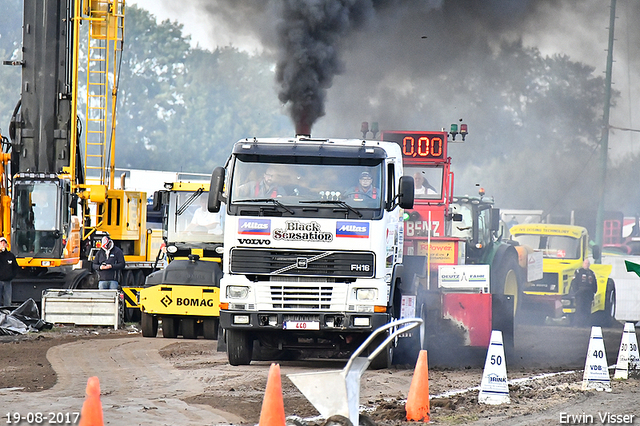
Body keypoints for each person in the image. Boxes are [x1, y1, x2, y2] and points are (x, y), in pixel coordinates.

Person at [570, 259, 598, 326]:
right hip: (580, 293)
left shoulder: (591, 273)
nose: (586, 265)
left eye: (588, 263)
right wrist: (576, 292)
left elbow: (594, 284)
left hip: (588, 294)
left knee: (587, 309)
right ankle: (577, 324)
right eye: (585, 263)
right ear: (583, 264)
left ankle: (586, 324)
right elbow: (574, 282)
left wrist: (593, 292)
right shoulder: (578, 272)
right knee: (579, 309)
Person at [0, 237, 19, 306]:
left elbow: (15, 267)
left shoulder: (10, 255)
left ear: (6, 245)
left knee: (7, 300)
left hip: (7, 282)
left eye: (4, 243)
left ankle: (7, 314)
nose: (2, 244)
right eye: (1, 243)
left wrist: (11, 276)